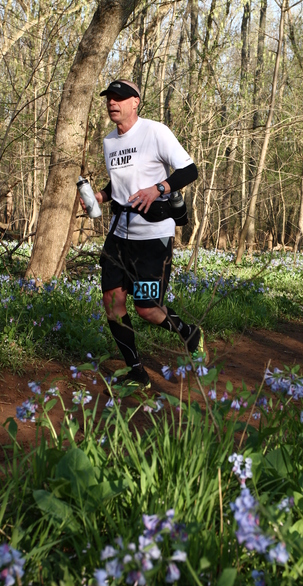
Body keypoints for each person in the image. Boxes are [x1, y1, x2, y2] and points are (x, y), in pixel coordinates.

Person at [84, 79, 205, 390]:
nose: (113, 103)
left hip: (153, 235)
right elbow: (119, 183)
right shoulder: (109, 141)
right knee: (113, 304)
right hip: (119, 234)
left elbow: (189, 170)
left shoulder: (155, 132)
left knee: (147, 308)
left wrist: (158, 188)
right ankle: (136, 373)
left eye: (120, 98)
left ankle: (189, 333)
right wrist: (100, 196)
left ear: (135, 102)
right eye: (109, 98)